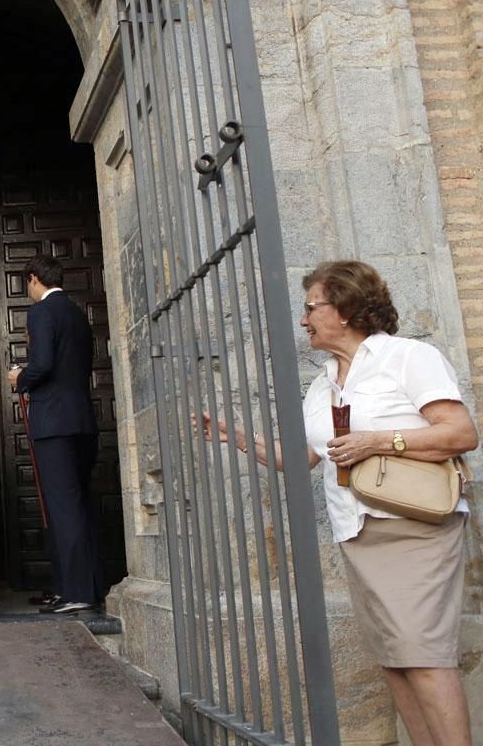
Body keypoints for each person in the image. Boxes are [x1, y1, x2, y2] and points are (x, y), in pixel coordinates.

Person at [201, 260, 475, 746]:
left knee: (426, 658)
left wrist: (376, 441)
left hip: (415, 529)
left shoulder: (408, 357)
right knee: (395, 663)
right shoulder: (322, 385)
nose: (304, 320)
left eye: (311, 307)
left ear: (345, 309)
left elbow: (459, 433)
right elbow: (302, 459)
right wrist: (237, 437)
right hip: (358, 533)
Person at [7, 254, 107, 614]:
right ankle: (80, 585)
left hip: (54, 424)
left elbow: (44, 364)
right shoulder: (79, 313)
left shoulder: (42, 312)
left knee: (62, 508)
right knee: (79, 505)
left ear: (33, 279)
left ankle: (75, 591)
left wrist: (21, 378)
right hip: (82, 420)